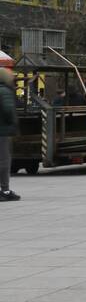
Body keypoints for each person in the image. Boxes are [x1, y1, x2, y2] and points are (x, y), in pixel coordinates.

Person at [0, 68, 19, 202]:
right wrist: (13, 124)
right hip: (2, 131)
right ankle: (5, 190)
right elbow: (8, 110)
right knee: (4, 161)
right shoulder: (4, 91)